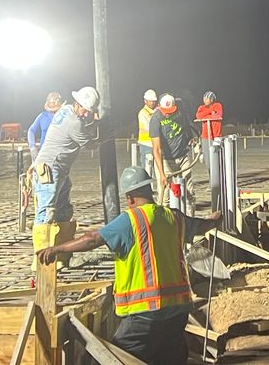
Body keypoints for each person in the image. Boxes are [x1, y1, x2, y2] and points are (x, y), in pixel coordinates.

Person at [37, 166, 220, 365]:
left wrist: (57, 249)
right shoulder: (174, 217)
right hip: (179, 310)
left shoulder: (131, 220)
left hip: (146, 314)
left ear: (130, 197)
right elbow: (202, 225)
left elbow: (93, 239)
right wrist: (215, 220)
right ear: (150, 191)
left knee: (113, 359)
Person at [30, 86, 101, 265]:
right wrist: (104, 133)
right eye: (86, 110)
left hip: (59, 170)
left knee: (63, 211)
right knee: (46, 213)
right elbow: (90, 144)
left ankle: (61, 255)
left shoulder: (66, 110)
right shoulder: (74, 122)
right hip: (49, 170)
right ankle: (42, 259)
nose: (86, 114)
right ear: (78, 104)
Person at [150, 93, 198, 214]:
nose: (168, 114)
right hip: (166, 160)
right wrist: (161, 174)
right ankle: (165, 224)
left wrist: (191, 138)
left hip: (182, 157)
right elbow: (156, 149)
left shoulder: (180, 111)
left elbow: (187, 126)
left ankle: (190, 221)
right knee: (165, 196)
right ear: (160, 107)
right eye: (166, 111)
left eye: (170, 111)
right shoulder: (155, 119)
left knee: (189, 192)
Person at [195, 90, 224, 208]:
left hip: (216, 136)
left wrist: (211, 113)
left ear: (212, 99)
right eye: (204, 98)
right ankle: (212, 182)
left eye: (207, 98)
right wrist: (209, 112)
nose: (205, 100)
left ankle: (219, 182)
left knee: (217, 161)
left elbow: (218, 115)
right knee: (208, 162)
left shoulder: (218, 105)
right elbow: (198, 116)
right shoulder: (201, 107)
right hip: (205, 137)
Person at [26, 91, 64, 159]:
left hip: (60, 156)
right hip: (43, 154)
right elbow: (31, 130)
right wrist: (32, 147)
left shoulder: (65, 117)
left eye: (55, 101)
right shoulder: (42, 116)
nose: (52, 103)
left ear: (60, 103)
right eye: (51, 101)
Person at [136, 89, 159, 178]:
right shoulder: (142, 113)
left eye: (154, 101)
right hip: (146, 144)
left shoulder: (158, 111)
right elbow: (149, 127)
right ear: (145, 101)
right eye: (150, 101)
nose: (152, 103)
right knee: (147, 168)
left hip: (157, 144)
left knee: (158, 168)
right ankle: (147, 188)